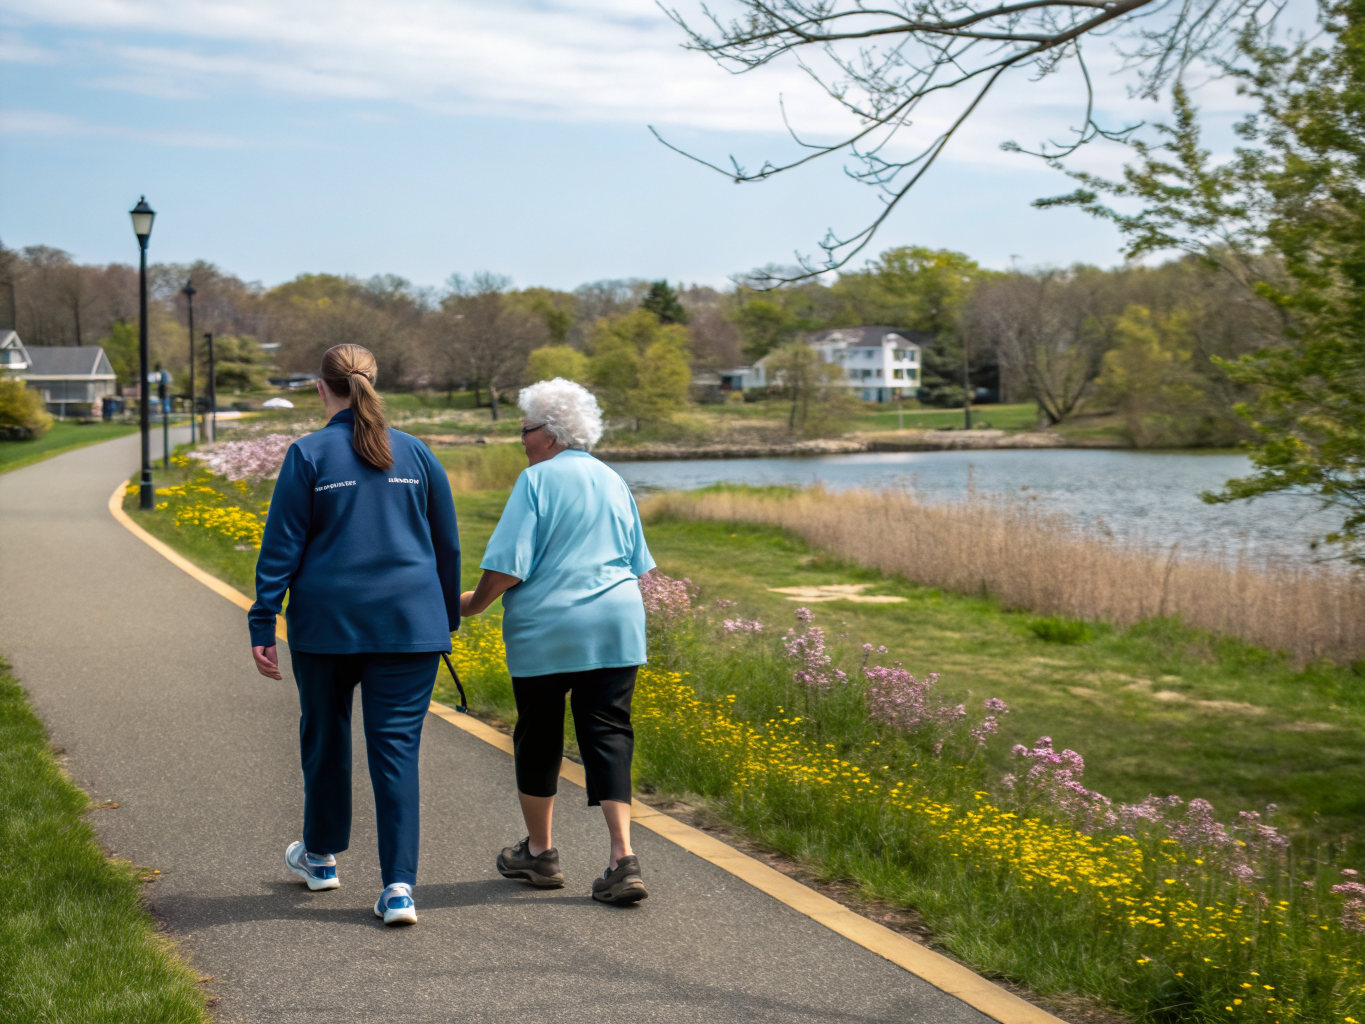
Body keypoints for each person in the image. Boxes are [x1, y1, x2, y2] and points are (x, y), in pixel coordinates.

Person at [248, 344, 460, 926]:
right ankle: (399, 889)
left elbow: (281, 546)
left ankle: (320, 857)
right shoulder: (416, 453)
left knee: (325, 739)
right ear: (374, 382)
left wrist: (263, 620)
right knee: (397, 752)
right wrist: (444, 619)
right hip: (410, 627)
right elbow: (447, 545)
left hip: (326, 627)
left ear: (322, 388)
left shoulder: (308, 453)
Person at [461, 378, 655, 904]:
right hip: (616, 623)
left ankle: (540, 853)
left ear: (549, 433)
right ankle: (622, 858)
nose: (522, 441)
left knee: (540, 733)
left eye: (525, 431)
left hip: (549, 627)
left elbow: (508, 566)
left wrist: (471, 604)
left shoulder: (536, 481)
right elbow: (637, 560)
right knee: (609, 731)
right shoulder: (613, 479)